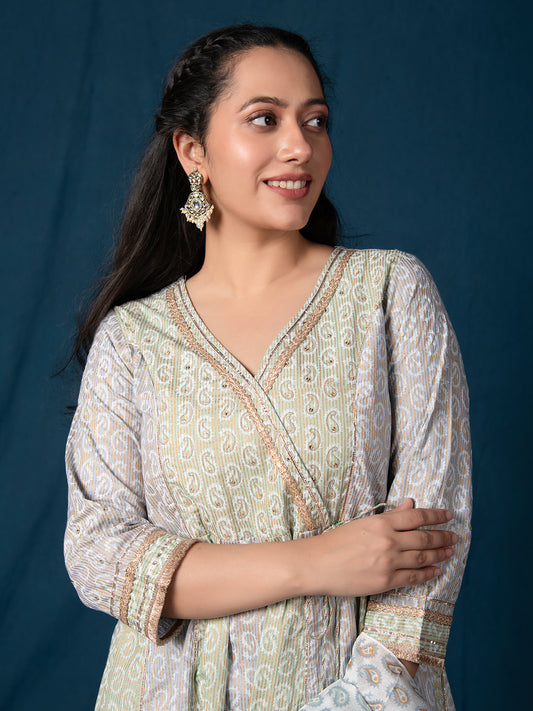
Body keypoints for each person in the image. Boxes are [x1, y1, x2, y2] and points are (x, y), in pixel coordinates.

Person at [64, 24, 471, 711]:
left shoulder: (388, 293)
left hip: (359, 690)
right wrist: (314, 562)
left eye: (316, 121)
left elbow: (431, 534)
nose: (300, 146)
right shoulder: (132, 338)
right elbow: (98, 554)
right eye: (265, 119)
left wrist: (363, 692)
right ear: (192, 151)